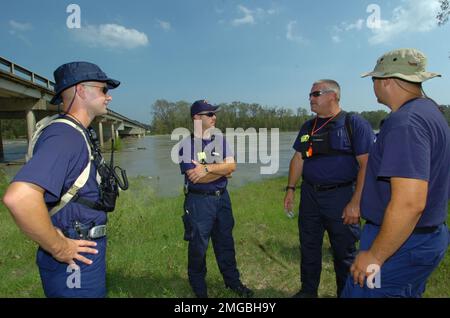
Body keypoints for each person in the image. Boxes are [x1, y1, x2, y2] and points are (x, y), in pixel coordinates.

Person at [2, 62, 121, 297]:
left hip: (81, 249)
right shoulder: (66, 136)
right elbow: (20, 197)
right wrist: (60, 247)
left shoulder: (74, 132)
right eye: (103, 90)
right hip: (74, 258)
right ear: (81, 90)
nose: (108, 98)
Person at [341, 48, 450, 298]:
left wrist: (375, 255)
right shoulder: (431, 113)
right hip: (421, 236)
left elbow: (410, 203)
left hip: (401, 242)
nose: (373, 86)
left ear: (386, 81)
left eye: (374, 80)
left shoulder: (406, 123)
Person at [284, 79, 375, 298]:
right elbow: (298, 158)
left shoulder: (354, 123)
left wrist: (355, 202)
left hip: (341, 196)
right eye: (310, 94)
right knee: (309, 247)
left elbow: (366, 165)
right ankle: (308, 291)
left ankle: (346, 294)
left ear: (333, 96)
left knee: (344, 252)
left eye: (315, 94)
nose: (310, 98)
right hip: (310, 196)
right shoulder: (308, 126)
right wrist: (290, 189)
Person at [178, 100, 253, 298]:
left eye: (214, 114)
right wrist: (221, 170)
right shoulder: (186, 145)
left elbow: (232, 167)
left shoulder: (220, 141)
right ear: (196, 118)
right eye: (209, 114)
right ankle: (199, 287)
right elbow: (195, 177)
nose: (214, 117)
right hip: (199, 202)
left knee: (226, 242)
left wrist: (207, 168)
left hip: (222, 200)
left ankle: (232, 281)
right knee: (198, 246)